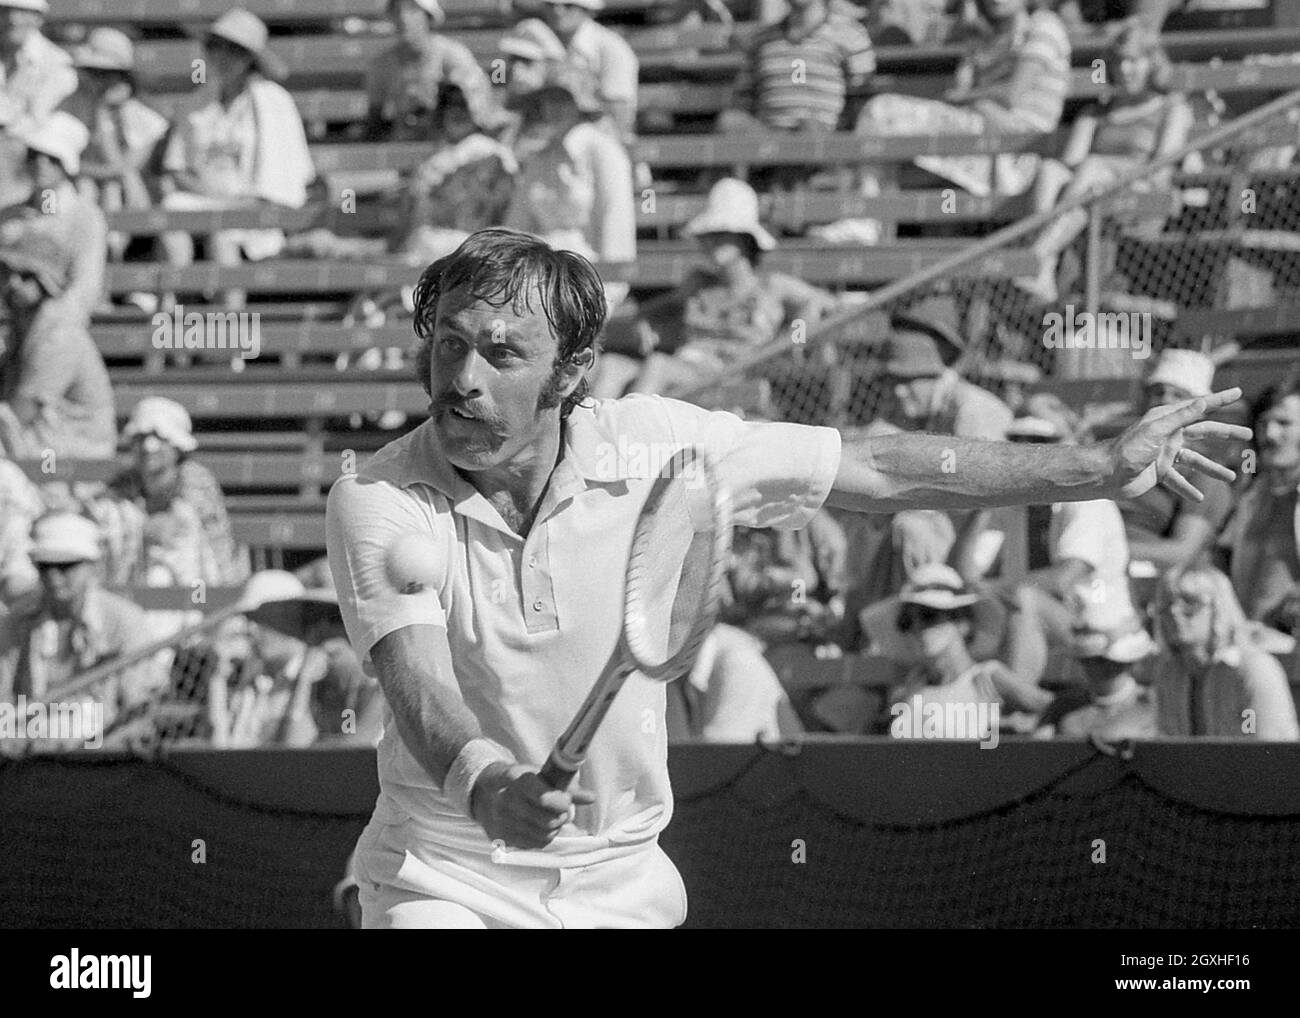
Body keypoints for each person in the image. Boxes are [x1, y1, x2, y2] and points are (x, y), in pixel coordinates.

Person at [323, 226, 1246, 928]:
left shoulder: (663, 451)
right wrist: (491, 789)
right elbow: (419, 686)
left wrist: (1099, 467)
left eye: (501, 353)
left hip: (620, 880)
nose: (462, 378)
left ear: (571, 371)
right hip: (443, 874)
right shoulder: (376, 494)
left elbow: (883, 467)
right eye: (448, 343)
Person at [595, 177, 837, 398]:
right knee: (610, 366)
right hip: (683, 369)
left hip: (727, 376)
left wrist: (798, 333)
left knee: (658, 365)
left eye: (722, 233)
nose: (711, 241)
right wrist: (644, 324)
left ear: (744, 238)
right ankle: (596, 443)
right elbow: (655, 310)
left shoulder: (771, 286)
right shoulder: (698, 283)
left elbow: (822, 302)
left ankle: (628, 440)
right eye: (710, 233)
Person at [1015, 23, 1193, 303]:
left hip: (1142, 196)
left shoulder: (1172, 109)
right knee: (1050, 172)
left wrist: (1104, 170)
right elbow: (1071, 164)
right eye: (1119, 61)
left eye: (1134, 61)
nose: (1125, 69)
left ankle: (1038, 256)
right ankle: (1044, 266)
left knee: (1094, 169)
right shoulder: (1095, 113)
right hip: (1088, 196)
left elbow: (1161, 167)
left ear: (1152, 63)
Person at [855, 0, 1070, 199]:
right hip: (982, 131)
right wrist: (972, 36)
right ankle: (871, 215)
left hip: (1022, 143)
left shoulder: (1044, 25)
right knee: (883, 129)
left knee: (880, 110)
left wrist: (971, 99)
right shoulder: (986, 35)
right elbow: (960, 89)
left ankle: (869, 216)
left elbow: (1011, 95)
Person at [159, 8, 315, 280]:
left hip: (254, 205)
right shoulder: (196, 102)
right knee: (172, 208)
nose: (222, 56)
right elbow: (177, 168)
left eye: (234, 50)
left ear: (250, 58)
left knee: (225, 234)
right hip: (207, 199)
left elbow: (280, 181)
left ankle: (231, 316)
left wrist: (242, 203)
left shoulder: (273, 101)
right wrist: (214, 196)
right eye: (216, 47)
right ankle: (172, 304)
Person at [0, 512, 164, 737]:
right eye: (44, 567)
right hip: (32, 755)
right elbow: (3, 700)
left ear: (92, 566)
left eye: (66, 566)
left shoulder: (124, 621)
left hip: (106, 755)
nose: (54, 577)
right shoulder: (17, 621)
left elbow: (138, 707)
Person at [503, 64, 635, 312]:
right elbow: (517, 226)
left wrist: (605, 295)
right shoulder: (539, 158)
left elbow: (616, 226)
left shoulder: (605, 152)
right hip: (535, 278)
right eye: (548, 100)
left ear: (580, 104)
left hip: (585, 277)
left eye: (563, 100)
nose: (553, 109)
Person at [83, 397, 247, 589]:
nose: (148, 447)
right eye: (141, 437)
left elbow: (211, 547)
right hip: (132, 584)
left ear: (177, 446)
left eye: (160, 438)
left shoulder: (196, 480)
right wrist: (142, 529)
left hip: (198, 591)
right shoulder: (121, 485)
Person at [210, 571, 381, 748]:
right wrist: (304, 682)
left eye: (334, 624)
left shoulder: (371, 684)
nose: (322, 642)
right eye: (312, 628)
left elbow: (350, 750)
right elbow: (297, 750)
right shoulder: (314, 682)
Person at [884, 564, 1052, 740]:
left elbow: (1053, 707)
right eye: (906, 621)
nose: (917, 626)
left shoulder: (988, 677)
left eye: (928, 615)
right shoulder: (913, 685)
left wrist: (1025, 728)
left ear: (962, 622)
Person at [1116, 350, 1235, 578]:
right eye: (1158, 392)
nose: (1164, 401)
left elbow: (1182, 552)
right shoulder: (1121, 452)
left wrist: (1102, 547)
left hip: (1136, 575)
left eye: (1178, 395)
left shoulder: (1204, 472)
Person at [0, 234, 116, 459]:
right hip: (41, 445)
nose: (12, 283)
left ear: (47, 279)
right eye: (6, 272)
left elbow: (22, 412)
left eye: (26, 275)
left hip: (74, 459)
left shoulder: (59, 331)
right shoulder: (23, 325)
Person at [1151, 563, 1299, 740]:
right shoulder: (1169, 673)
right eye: (1166, 605)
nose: (1175, 613)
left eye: (1191, 602)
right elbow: (1168, 747)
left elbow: (1256, 740)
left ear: (1219, 608)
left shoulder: (1251, 669)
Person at [63, 28, 170, 266]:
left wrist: (103, 117)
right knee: (86, 188)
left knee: (109, 188)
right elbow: (61, 162)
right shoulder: (70, 107)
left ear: (123, 78)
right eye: (91, 72)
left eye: (105, 74)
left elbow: (121, 169)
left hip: (136, 201)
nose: (96, 81)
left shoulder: (144, 117)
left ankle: (111, 258)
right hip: (83, 192)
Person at [0, 110, 107, 325]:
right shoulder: (11, 214)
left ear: (66, 164)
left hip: (54, 328)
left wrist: (43, 298)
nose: (41, 164)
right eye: (34, 155)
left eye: (52, 158)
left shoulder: (84, 217)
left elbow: (85, 286)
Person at [1219, 376, 1300, 637]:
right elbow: (1221, 557)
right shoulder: (1251, 495)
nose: (1271, 434)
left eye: (1284, 423)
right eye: (1263, 423)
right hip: (1246, 641)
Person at [723, 0, 876, 133]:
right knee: (731, 121)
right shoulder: (760, 41)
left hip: (823, 139)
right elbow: (743, 98)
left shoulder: (850, 35)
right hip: (769, 140)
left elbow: (861, 97)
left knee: (808, 126)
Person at [363, 0, 497, 143]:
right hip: (404, 144)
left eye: (412, 10)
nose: (403, 18)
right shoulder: (381, 64)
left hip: (452, 144)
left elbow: (477, 113)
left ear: (428, 16)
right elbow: (374, 121)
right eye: (397, 11)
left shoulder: (454, 56)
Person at [529, 0, 639, 147]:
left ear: (589, 11)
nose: (557, 11)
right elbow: (500, 67)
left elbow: (619, 112)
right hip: (553, 145)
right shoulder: (532, 36)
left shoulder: (613, 48)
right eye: (551, 5)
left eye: (569, 6)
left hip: (598, 144)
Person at [1037, 616, 1158, 740]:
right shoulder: (1062, 708)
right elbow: (1037, 752)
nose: (1105, 667)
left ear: (1130, 662)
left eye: (1111, 661)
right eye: (1093, 660)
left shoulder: (1154, 704)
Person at [0, 0, 76, 199]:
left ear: (39, 19)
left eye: (22, 12)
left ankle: (42, 220)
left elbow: (39, 122)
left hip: (38, 156)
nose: (12, 19)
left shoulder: (58, 65)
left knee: (43, 173)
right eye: (6, 11)